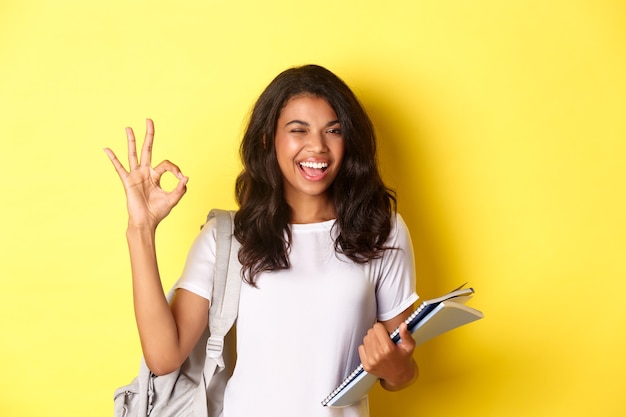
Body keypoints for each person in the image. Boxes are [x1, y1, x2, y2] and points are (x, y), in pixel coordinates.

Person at [104, 64, 419, 417]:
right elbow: (164, 357)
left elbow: (402, 371)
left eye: (333, 130)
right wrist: (141, 230)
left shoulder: (381, 231)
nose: (317, 146)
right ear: (268, 139)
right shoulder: (228, 238)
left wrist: (394, 368)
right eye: (298, 130)